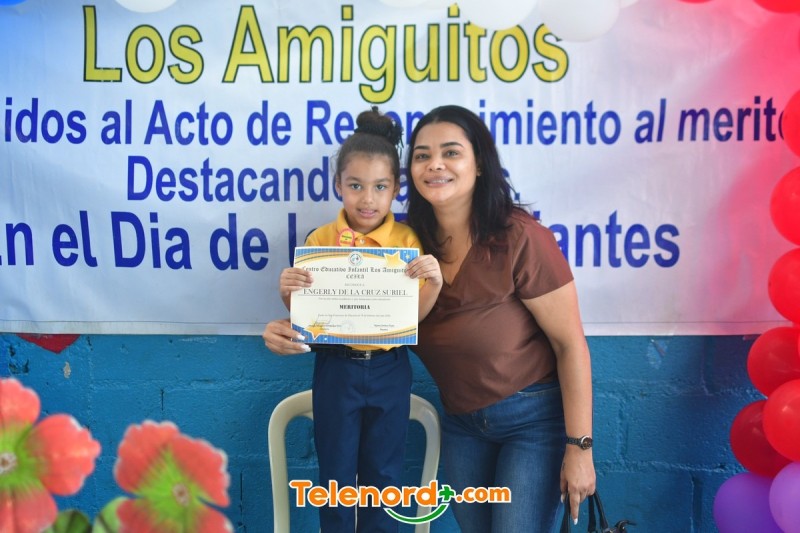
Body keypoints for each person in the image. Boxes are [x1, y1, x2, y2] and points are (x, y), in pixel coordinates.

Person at [404, 104, 596, 532]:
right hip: (462, 426)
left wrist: (580, 448)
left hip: (533, 424)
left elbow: (569, 345)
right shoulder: (405, 244)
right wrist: (297, 326)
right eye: (422, 155)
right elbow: (360, 320)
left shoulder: (520, 236)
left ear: (479, 165)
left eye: (451, 152)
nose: (435, 164)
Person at [262, 108, 442, 533]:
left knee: (384, 478)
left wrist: (433, 284)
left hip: (390, 368)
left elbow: (411, 319)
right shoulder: (320, 241)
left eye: (380, 187)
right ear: (338, 185)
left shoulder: (407, 242)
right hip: (336, 368)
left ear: (396, 188)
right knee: (336, 479)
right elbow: (308, 321)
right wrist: (287, 291)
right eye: (355, 185)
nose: (367, 199)